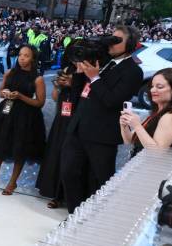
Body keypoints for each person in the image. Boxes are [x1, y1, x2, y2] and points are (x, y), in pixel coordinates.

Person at [60, 25, 144, 213]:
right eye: (111, 38)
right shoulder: (102, 61)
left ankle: (96, 217)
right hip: (78, 127)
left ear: (130, 44)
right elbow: (82, 93)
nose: (111, 43)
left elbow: (112, 101)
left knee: (100, 179)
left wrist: (95, 78)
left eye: (117, 40)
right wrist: (81, 76)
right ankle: (75, 214)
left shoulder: (133, 71)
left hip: (102, 135)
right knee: (68, 173)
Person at [0, 44, 46, 195]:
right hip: (5, 112)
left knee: (19, 149)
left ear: (33, 59)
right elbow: (0, 92)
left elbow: (40, 102)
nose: (22, 58)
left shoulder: (38, 79)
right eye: (21, 55)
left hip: (26, 117)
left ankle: (12, 182)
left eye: (26, 55)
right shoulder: (9, 72)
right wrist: (5, 93)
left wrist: (21, 96)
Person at [37, 58, 86, 209]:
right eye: (62, 76)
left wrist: (73, 86)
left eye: (67, 77)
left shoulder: (82, 87)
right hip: (59, 123)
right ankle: (54, 194)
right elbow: (55, 97)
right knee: (55, 158)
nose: (64, 79)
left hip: (74, 126)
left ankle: (65, 196)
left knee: (68, 162)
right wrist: (58, 87)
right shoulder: (64, 87)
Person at [121, 68, 172, 156]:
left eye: (160, 87)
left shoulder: (170, 116)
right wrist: (124, 125)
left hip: (153, 168)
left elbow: (157, 152)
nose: (152, 90)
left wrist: (137, 125)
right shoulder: (158, 112)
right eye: (152, 86)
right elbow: (130, 141)